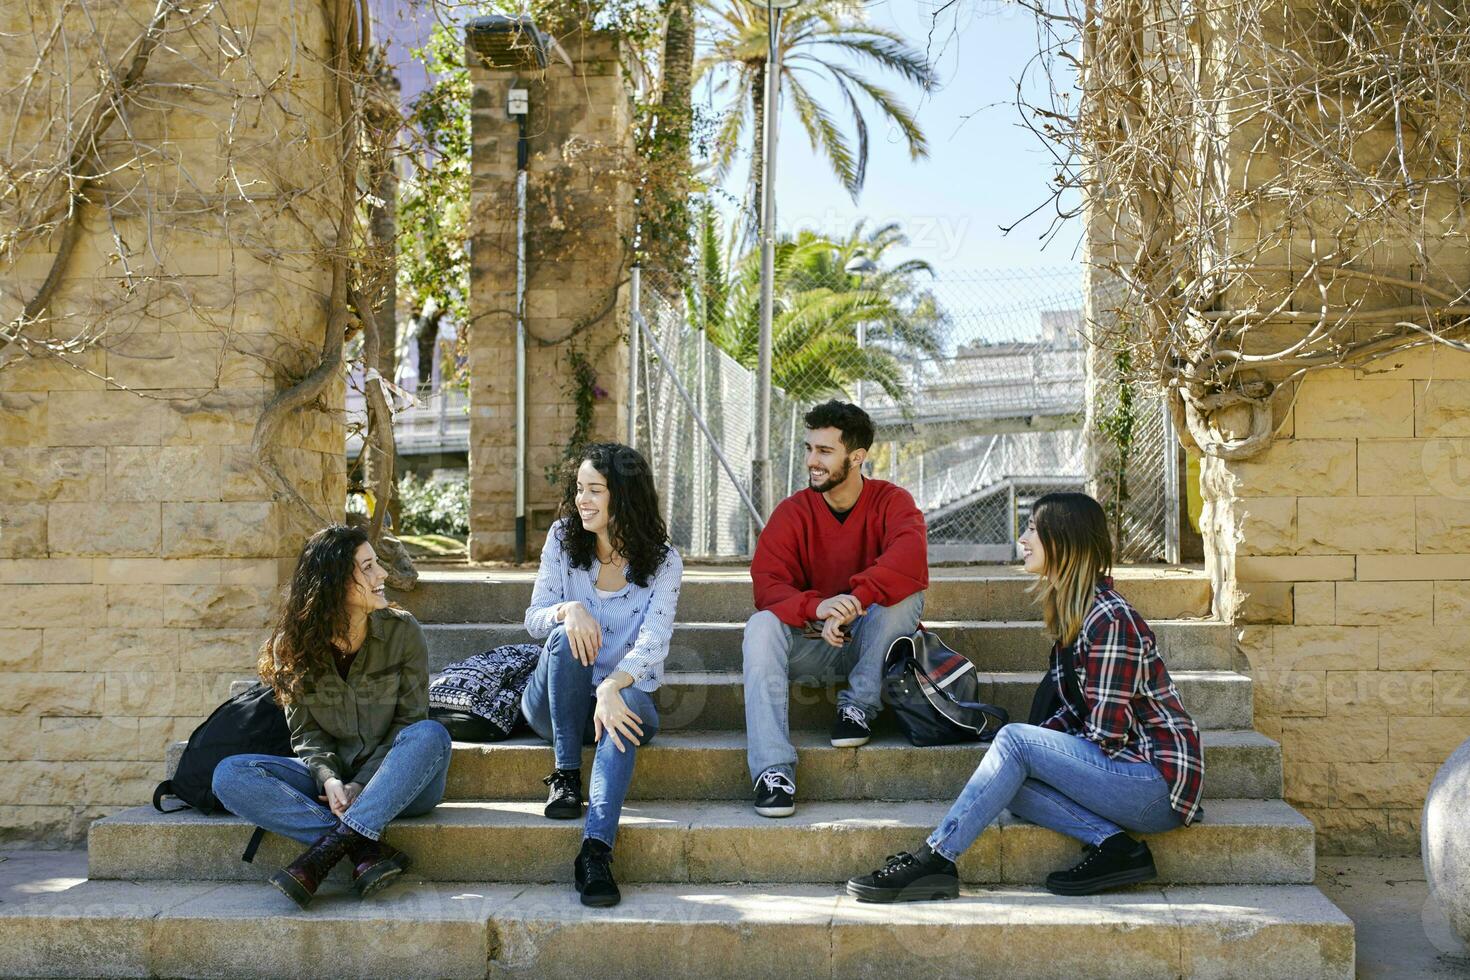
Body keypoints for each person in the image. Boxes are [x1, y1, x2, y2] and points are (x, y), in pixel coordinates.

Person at [846, 491, 1204, 903]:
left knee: (1015, 745)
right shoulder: (1080, 612)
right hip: (1132, 778)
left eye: (1033, 528)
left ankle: (935, 859)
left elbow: (1107, 733)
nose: (1023, 538)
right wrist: (1017, 751)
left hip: (1156, 783)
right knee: (1007, 773)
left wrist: (1024, 745)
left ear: (1063, 539)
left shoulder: (1108, 618)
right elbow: (1073, 714)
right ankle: (1117, 848)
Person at [213, 525, 452, 909]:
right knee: (229, 775)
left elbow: (408, 722)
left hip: (401, 781)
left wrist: (360, 784)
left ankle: (324, 853)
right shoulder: (291, 645)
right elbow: (306, 733)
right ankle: (361, 849)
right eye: (369, 567)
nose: (382, 576)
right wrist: (330, 777)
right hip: (331, 788)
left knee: (430, 735)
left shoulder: (402, 631)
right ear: (336, 582)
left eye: (378, 565)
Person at [743, 399, 928, 818]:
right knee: (760, 625)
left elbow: (910, 559)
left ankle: (858, 707)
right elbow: (767, 584)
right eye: (809, 449)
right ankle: (773, 771)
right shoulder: (792, 512)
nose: (812, 461)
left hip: (874, 644)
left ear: (857, 457)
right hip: (813, 646)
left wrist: (854, 602)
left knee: (905, 592)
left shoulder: (893, 502)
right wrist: (819, 607)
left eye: (824, 452)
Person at [522, 442, 683, 908]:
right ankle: (566, 774)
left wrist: (613, 685)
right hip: (555, 704)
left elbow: (654, 643)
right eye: (579, 489)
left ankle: (595, 850)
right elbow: (533, 618)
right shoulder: (562, 539)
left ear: (624, 496)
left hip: (625, 701)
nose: (582, 500)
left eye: (595, 490)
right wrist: (568, 609)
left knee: (625, 707)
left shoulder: (664, 561)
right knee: (564, 639)